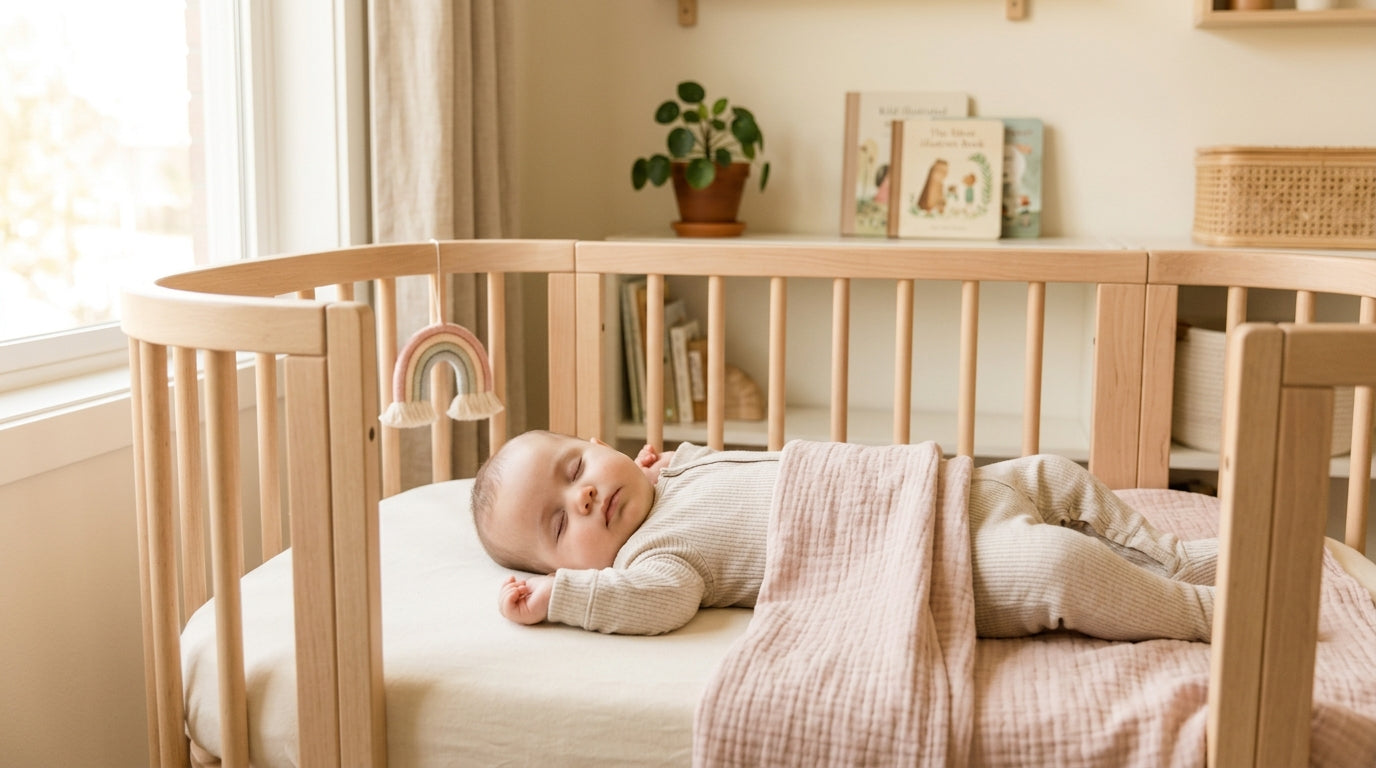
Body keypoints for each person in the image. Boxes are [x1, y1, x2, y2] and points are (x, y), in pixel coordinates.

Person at [471, 430, 1218, 640]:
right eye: (560, 522)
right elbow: (655, 604)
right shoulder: (652, 559)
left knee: (1056, 473)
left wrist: (668, 467)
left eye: (576, 467)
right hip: (934, 562)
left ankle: (1180, 559)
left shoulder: (675, 469)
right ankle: (1204, 614)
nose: (585, 494)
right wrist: (564, 600)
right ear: (565, 566)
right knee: (1060, 566)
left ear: (600, 443)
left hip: (941, 490)